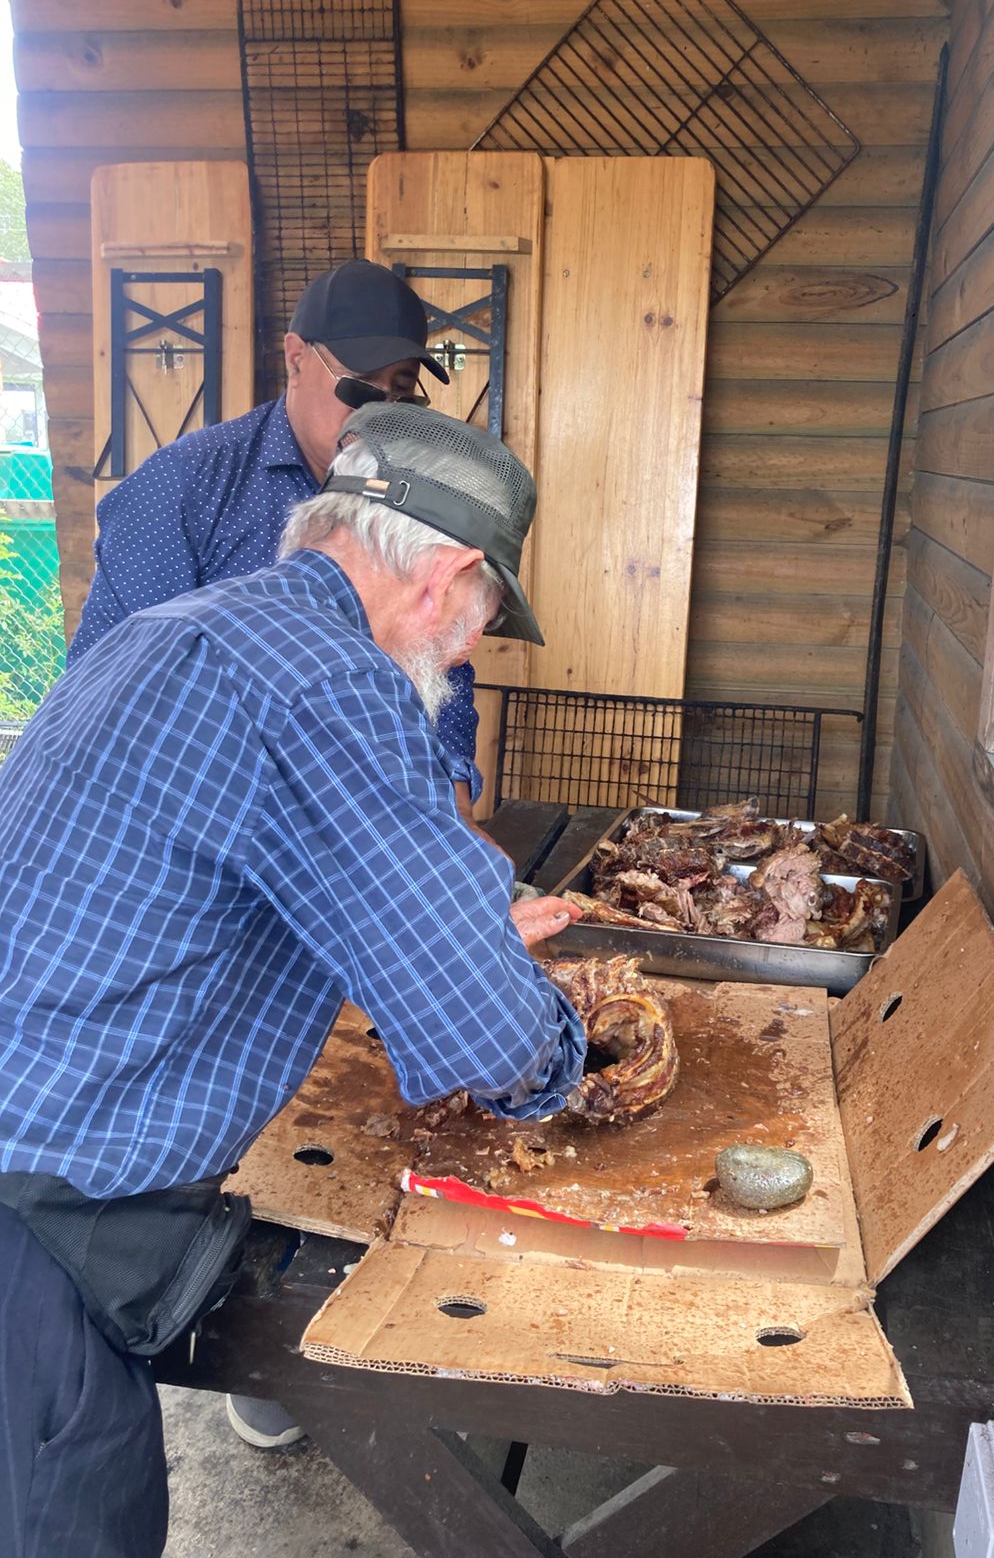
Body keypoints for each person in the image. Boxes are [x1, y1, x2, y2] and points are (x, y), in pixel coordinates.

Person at [0, 403, 584, 1558]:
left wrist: (467, 916)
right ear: (449, 575)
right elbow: (489, 1045)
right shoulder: (332, 682)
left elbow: (338, 850)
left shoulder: (183, 627)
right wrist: (573, 1051)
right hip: (38, 1235)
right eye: (482, 620)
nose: (466, 650)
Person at [70, 259, 487, 824]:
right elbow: (118, 690)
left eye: (400, 391)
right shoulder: (182, 488)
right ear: (295, 357)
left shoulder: (409, 496)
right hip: (196, 817)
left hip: (364, 815)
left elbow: (440, 660)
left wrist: (453, 797)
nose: (380, 413)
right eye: (360, 385)